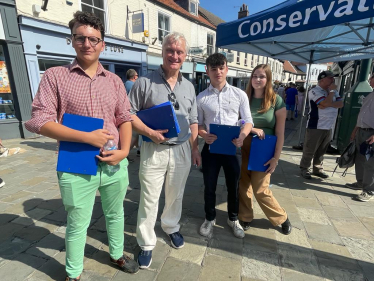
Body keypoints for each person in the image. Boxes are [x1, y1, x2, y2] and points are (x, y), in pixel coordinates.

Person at [25, 11, 139, 280]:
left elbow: (124, 117)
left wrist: (124, 151)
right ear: (72, 40)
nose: (87, 44)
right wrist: (87, 137)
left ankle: (116, 254)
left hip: (113, 161)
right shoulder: (55, 76)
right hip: (75, 162)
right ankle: (73, 273)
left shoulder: (113, 81)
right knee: (77, 222)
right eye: (80, 38)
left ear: (102, 43)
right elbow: (39, 120)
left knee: (115, 213)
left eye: (93, 39)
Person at [128, 32, 200, 269]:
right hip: (153, 148)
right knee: (149, 198)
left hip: (181, 150)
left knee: (175, 195)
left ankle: (171, 226)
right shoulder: (144, 82)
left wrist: (195, 148)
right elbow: (128, 114)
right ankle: (147, 242)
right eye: (170, 50)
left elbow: (193, 120)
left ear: (185, 56)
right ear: (163, 51)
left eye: (179, 52)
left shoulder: (189, 86)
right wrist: (149, 133)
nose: (175, 55)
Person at [197, 53, 253, 239]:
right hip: (211, 148)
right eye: (213, 69)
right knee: (209, 186)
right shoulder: (202, 98)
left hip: (232, 147)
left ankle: (233, 218)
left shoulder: (239, 94)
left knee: (234, 186)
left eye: (221, 68)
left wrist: (243, 136)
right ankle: (209, 217)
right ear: (207, 71)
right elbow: (197, 124)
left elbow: (248, 121)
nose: (218, 72)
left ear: (227, 69)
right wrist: (204, 134)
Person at [238, 64, 291, 235]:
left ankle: (281, 217)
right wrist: (251, 129)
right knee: (243, 184)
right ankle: (245, 216)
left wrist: (276, 158)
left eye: (261, 76)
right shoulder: (243, 97)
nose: (257, 80)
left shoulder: (276, 101)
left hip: (264, 147)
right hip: (244, 143)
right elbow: (236, 121)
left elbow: (280, 132)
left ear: (268, 79)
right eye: (254, 76)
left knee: (260, 188)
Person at [299, 71, 343, 179]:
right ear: (322, 80)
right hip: (316, 125)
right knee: (310, 149)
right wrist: (330, 98)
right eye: (330, 78)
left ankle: (317, 168)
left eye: (333, 78)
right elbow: (324, 103)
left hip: (329, 126)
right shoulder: (314, 91)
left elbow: (341, 104)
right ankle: (305, 168)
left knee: (322, 150)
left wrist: (328, 103)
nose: (332, 81)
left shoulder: (332, 91)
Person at [347, 73, 374, 201]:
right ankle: (360, 182)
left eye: (371, 78)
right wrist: (354, 131)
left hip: (371, 133)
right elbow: (361, 115)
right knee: (360, 158)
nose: (369, 81)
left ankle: (369, 190)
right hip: (361, 131)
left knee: (370, 162)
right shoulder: (370, 95)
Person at [125, 69, 141, 160]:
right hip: (132, 113)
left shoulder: (125, 84)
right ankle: (125, 154)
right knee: (134, 135)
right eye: (137, 75)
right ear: (134, 77)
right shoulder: (133, 86)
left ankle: (139, 150)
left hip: (126, 113)